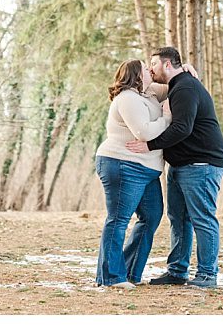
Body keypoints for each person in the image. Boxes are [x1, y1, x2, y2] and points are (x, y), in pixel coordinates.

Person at [127, 46, 223, 289]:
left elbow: (183, 128)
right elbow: (142, 87)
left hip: (201, 165)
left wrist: (150, 145)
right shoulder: (177, 86)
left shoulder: (186, 88)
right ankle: (178, 271)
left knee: (202, 219)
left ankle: (207, 275)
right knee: (179, 219)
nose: (151, 69)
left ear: (168, 64)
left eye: (154, 64)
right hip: (182, 165)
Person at [94, 59, 171, 288]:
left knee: (152, 216)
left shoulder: (147, 95)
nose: (150, 71)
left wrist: (186, 67)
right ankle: (110, 278)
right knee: (118, 220)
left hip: (146, 169)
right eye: (146, 69)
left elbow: (173, 83)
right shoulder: (128, 98)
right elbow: (144, 132)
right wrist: (166, 118)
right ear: (137, 76)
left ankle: (128, 271)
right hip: (122, 164)